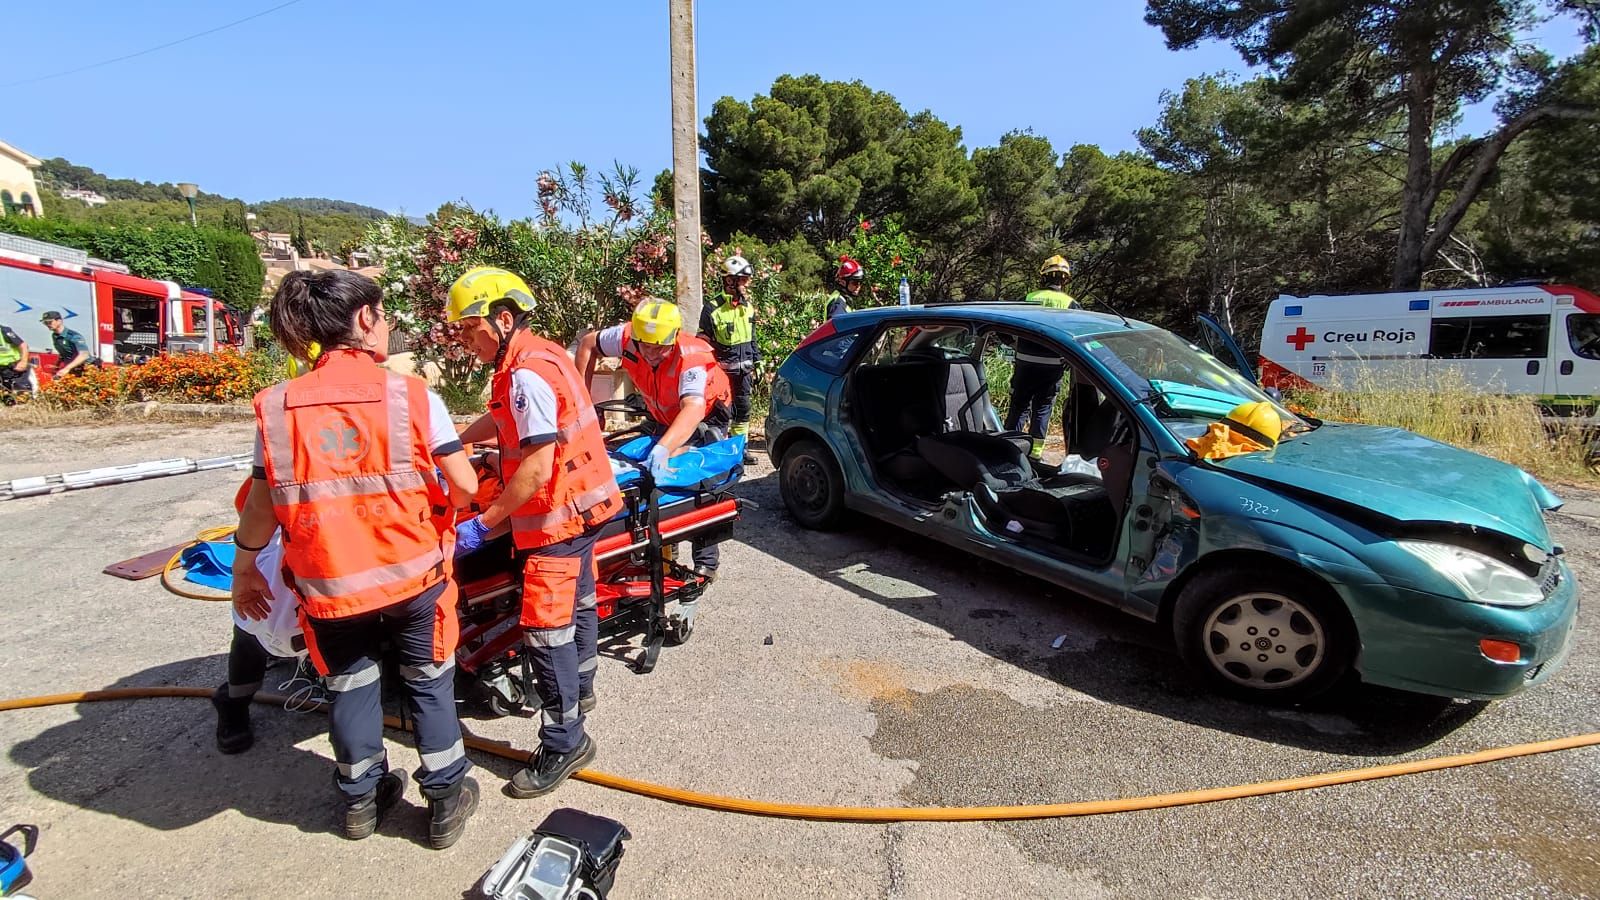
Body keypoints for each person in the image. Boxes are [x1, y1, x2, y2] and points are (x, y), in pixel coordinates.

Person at [231, 270, 482, 849]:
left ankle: (359, 803)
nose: (388, 326)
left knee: (350, 686)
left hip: (328, 586)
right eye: (385, 315)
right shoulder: (411, 395)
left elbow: (261, 509)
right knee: (427, 681)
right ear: (364, 320)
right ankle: (445, 801)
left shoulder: (274, 407)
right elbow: (464, 486)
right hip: (413, 576)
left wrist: (245, 569)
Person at [447, 267, 623, 799]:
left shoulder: (525, 373)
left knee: (546, 634)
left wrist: (486, 521)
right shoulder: (539, 356)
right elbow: (500, 423)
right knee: (582, 607)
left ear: (502, 319)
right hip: (586, 508)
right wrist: (449, 445)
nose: (464, 340)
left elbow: (537, 464)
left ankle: (565, 739)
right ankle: (582, 690)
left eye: (468, 329)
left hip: (555, 521)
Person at [575, 299, 733, 580]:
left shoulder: (692, 357)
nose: (650, 353)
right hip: (663, 411)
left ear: (673, 338)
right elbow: (588, 344)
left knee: (700, 476)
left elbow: (693, 409)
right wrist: (582, 406)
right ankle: (656, 548)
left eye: (659, 347)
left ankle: (706, 561)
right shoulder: (625, 337)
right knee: (639, 471)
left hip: (707, 413)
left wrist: (663, 448)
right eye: (644, 345)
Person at [1006, 256, 1077, 459]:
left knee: (1019, 406)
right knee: (1042, 408)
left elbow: (1004, 326)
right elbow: (1076, 336)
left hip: (1025, 364)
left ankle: (1010, 449)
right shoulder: (1070, 303)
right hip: (1053, 368)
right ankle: (1035, 455)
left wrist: (1014, 345)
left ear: (1043, 277)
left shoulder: (1028, 299)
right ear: (1065, 280)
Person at [701, 255, 759, 462]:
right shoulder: (712, 309)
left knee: (743, 411)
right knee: (721, 414)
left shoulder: (747, 307)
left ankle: (740, 451)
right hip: (722, 374)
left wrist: (757, 361)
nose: (746, 284)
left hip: (744, 371)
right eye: (743, 279)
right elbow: (704, 343)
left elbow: (752, 337)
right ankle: (721, 454)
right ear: (729, 280)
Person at [40, 311, 97, 378]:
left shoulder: (73, 336)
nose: (47, 324)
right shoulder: (55, 336)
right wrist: (56, 367)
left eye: (50, 322)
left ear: (59, 321)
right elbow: (64, 354)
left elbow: (84, 355)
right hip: (73, 368)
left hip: (87, 369)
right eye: (45, 323)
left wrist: (67, 368)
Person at [0, 324, 30, 394]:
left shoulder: (4, 331)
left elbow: (23, 345)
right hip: (1, 369)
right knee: (5, 396)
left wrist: (23, 362)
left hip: (13, 368)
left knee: (20, 396)